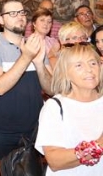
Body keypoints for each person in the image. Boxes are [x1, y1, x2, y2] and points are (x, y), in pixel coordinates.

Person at [0, 0, 53, 160]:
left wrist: (39, 63)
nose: (19, 17)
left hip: (33, 128)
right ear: (0, 20)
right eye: (12, 13)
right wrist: (26, 57)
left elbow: (51, 89)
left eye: (22, 13)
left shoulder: (34, 45)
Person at [35, 43, 103, 175]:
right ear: (66, 72)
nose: (89, 70)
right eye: (79, 65)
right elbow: (55, 161)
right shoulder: (55, 107)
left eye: (93, 63)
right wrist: (98, 146)